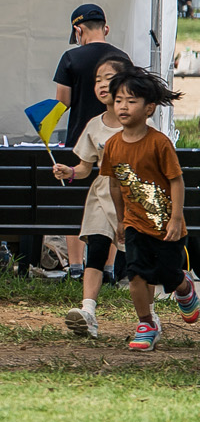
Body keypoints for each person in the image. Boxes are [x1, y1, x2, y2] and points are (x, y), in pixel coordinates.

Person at [93, 67, 195, 351]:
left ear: (149, 108)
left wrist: (176, 218)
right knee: (136, 274)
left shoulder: (159, 143)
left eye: (131, 100)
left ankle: (184, 288)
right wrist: (119, 220)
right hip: (134, 224)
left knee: (168, 276)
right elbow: (114, 185)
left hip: (166, 228)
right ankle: (146, 323)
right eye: (119, 100)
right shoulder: (112, 146)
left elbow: (176, 181)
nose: (123, 106)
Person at [52, 56, 128, 338]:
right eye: (97, 80)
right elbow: (85, 167)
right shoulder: (94, 125)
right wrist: (68, 171)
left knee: (136, 259)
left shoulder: (136, 121)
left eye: (107, 78)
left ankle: (149, 315)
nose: (101, 85)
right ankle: (88, 311)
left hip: (131, 196)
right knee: (96, 249)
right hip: (101, 196)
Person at [54, 4, 129, 274]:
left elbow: (63, 102)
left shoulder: (70, 58)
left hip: (79, 139)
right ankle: (108, 267)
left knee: (78, 205)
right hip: (119, 139)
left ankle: (75, 266)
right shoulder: (122, 60)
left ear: (78, 30)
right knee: (111, 202)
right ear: (105, 28)